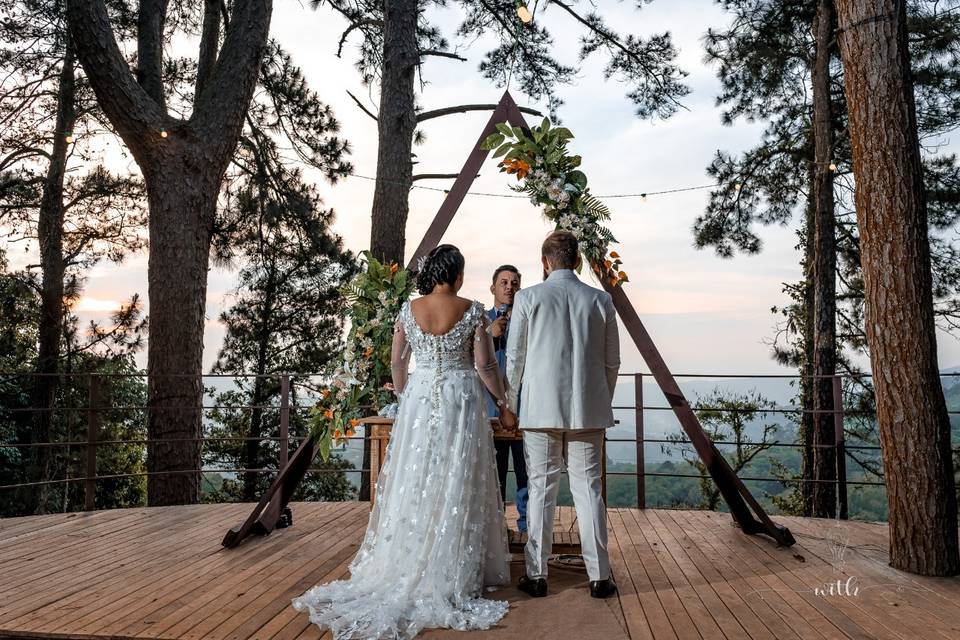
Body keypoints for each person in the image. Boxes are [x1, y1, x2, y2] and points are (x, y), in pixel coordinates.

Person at [292, 245, 519, 639]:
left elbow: (398, 362)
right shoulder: (472, 309)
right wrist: (503, 401)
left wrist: (404, 397)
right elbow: (484, 365)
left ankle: (408, 561)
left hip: (419, 399)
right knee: (456, 478)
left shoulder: (408, 310)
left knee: (417, 482)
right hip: (460, 400)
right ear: (458, 275)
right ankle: (451, 568)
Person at [505, 230, 620, 599]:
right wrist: (599, 399)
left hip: (540, 410)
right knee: (589, 491)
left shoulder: (528, 298)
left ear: (544, 262)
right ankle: (600, 576)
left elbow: (515, 358)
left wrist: (510, 403)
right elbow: (612, 362)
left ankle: (537, 575)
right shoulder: (600, 300)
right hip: (589, 411)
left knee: (540, 490)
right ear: (576, 260)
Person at [487, 265, 529, 532]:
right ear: (493, 288)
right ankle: (494, 528)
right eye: (503, 282)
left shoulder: (527, 322)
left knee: (527, 473)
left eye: (514, 283)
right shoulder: (480, 321)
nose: (509, 287)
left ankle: (528, 527)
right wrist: (491, 336)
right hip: (490, 405)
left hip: (524, 405)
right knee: (494, 473)